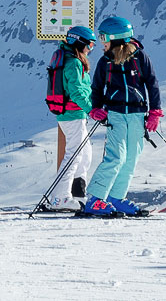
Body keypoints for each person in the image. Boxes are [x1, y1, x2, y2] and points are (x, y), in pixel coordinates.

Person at [80, 16, 163, 216]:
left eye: (104, 38)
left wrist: (155, 112)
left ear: (117, 37)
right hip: (115, 115)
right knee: (116, 157)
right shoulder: (105, 61)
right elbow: (97, 88)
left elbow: (152, 84)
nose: (102, 42)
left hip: (137, 114)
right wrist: (95, 108)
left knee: (131, 158)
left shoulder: (140, 58)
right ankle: (96, 199)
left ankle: (116, 198)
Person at [44, 26, 97, 210]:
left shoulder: (67, 58)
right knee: (74, 154)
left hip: (72, 114)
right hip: (73, 114)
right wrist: (92, 109)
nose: (91, 48)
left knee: (84, 154)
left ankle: (77, 193)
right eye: (90, 44)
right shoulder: (73, 62)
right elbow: (76, 91)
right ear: (80, 42)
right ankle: (60, 198)